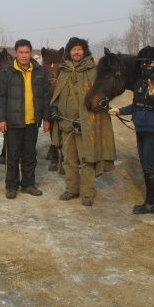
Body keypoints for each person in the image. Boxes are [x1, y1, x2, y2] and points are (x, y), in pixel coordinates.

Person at [50, 37, 116, 206]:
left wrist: (84, 117)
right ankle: (72, 189)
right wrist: (54, 108)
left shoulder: (93, 71)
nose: (77, 52)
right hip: (66, 124)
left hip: (86, 125)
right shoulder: (63, 70)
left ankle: (87, 193)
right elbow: (57, 93)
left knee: (87, 159)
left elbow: (100, 97)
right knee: (68, 159)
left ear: (84, 51)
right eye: (73, 49)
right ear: (69, 52)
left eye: (80, 49)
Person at [109, 46, 154, 214]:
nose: (145, 66)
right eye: (142, 63)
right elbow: (136, 105)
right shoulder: (141, 82)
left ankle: (151, 203)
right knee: (145, 164)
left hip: (153, 129)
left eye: (148, 63)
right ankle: (150, 201)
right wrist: (120, 110)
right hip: (141, 128)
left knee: (150, 166)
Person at [0, 39, 51, 199]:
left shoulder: (40, 72)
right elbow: (0, 98)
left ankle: (28, 184)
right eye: (21, 52)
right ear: (16, 53)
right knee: (12, 156)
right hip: (13, 122)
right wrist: (1, 119)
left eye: (27, 52)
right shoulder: (6, 72)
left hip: (32, 122)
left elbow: (45, 97)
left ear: (31, 53)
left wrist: (46, 118)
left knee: (29, 155)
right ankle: (11, 186)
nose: (24, 55)